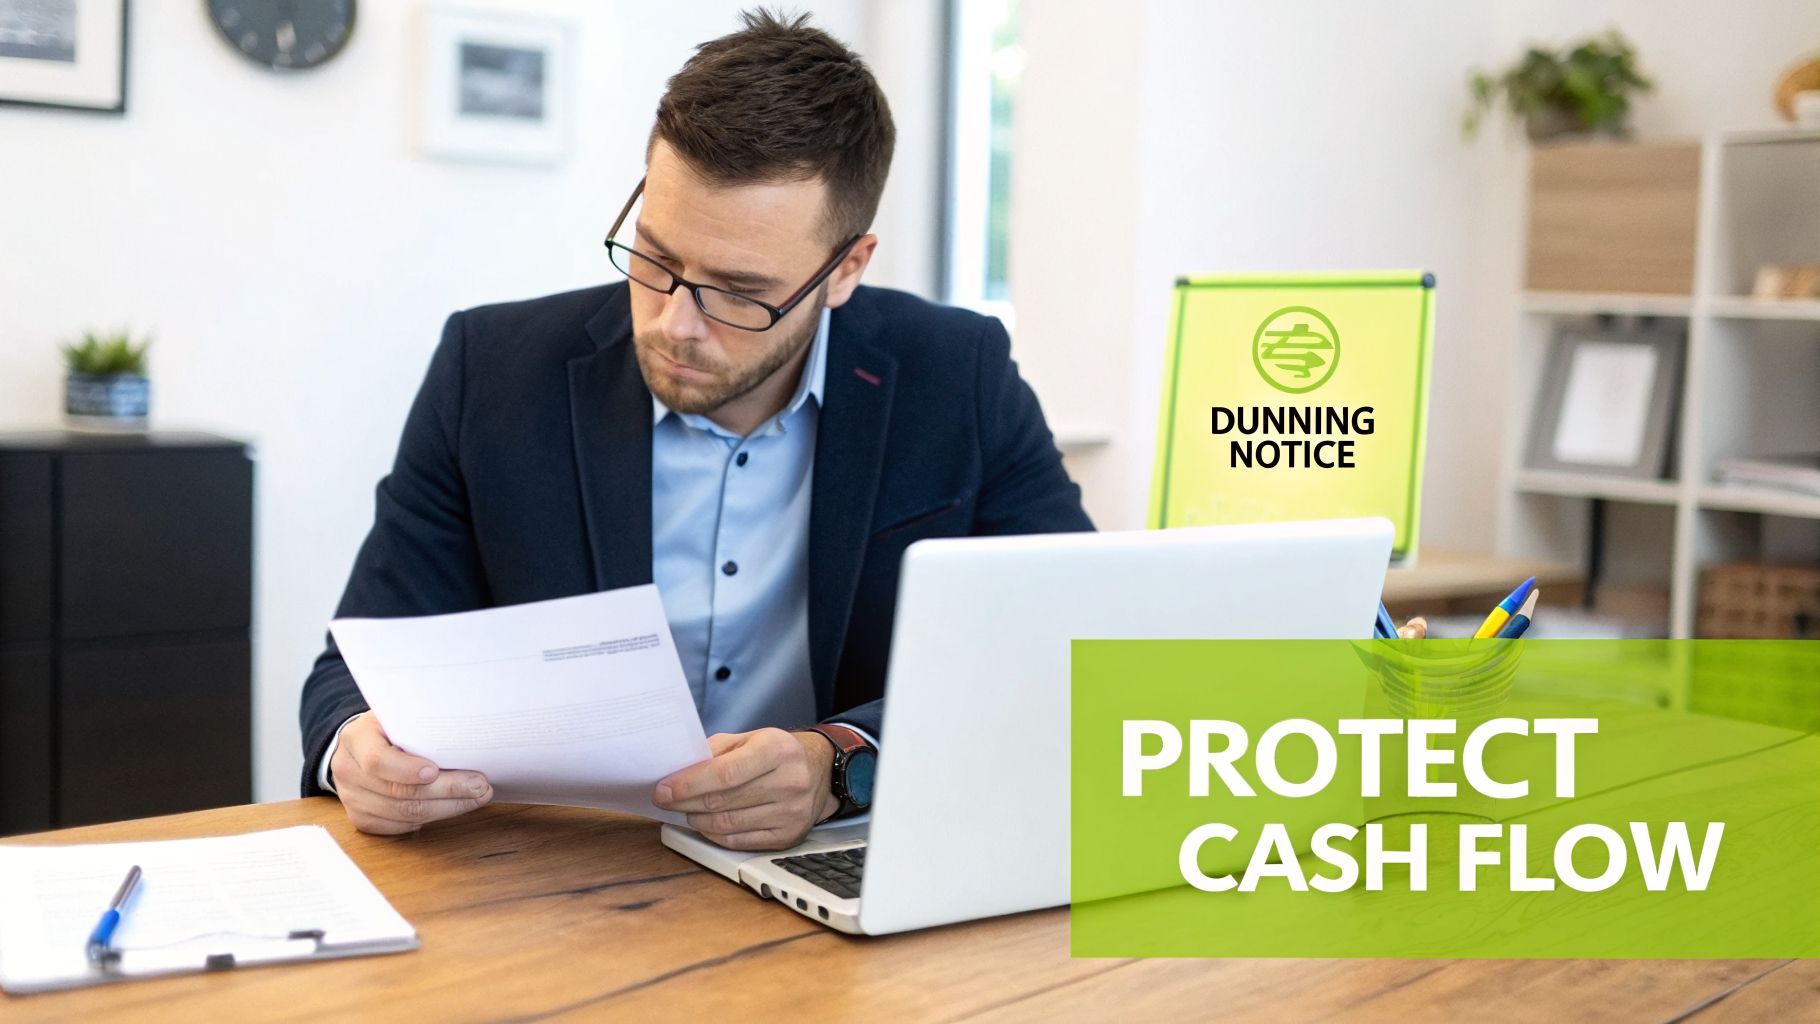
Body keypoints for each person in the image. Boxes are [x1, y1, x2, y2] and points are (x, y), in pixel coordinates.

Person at [298, 9, 1093, 850]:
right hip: (559, 868)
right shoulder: (490, 371)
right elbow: (351, 671)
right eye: (657, 258)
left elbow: (1071, 642)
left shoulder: (956, 374)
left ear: (846, 270)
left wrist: (841, 762)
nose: (676, 323)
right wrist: (355, 749)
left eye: (740, 291)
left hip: (828, 864)